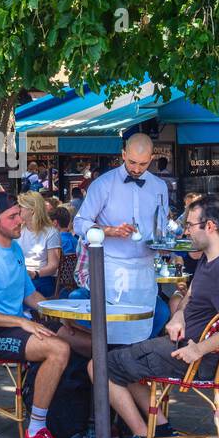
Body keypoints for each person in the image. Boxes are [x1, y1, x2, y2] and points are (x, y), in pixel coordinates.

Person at [96, 194, 219, 438]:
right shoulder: (211, 258)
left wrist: (198, 349)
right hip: (182, 346)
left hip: (194, 358)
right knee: (123, 361)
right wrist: (179, 315)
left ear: (210, 226)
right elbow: (190, 296)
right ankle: (164, 433)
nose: (185, 231)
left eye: (190, 225)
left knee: (99, 366)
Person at [0, 191, 83, 438]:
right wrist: (19, 320)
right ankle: (35, 433)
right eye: (12, 216)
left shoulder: (15, 248)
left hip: (18, 327)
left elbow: (31, 295)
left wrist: (62, 314)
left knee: (76, 339)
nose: (20, 220)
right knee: (58, 350)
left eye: (19, 214)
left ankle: (73, 422)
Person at [73, 133, 167, 347]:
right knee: (113, 334)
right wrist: (109, 231)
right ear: (123, 154)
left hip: (145, 270)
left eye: (143, 164)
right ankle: (109, 375)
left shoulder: (159, 186)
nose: (136, 169)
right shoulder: (103, 184)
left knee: (143, 329)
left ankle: (136, 375)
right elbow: (79, 224)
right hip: (111, 269)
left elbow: (160, 226)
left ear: (151, 159)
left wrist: (165, 241)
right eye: (132, 162)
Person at [16, 191, 61, 296]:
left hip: (41, 278)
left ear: (31, 210)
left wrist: (34, 274)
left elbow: (53, 265)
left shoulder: (51, 232)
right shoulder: (18, 230)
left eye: (20, 206)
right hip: (20, 276)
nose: (18, 209)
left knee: (15, 293)